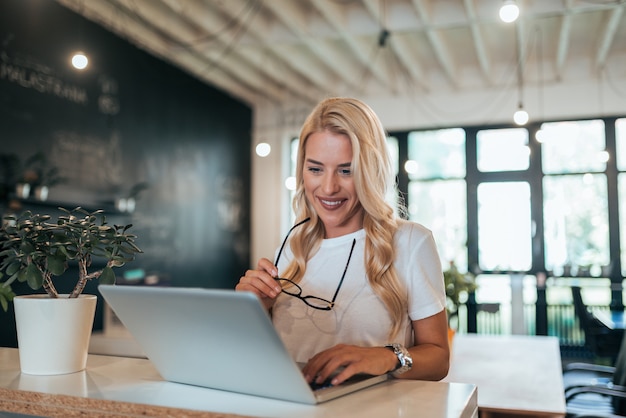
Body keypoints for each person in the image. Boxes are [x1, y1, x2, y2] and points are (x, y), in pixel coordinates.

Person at [236, 97, 449, 387]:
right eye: (315, 169)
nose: (328, 187)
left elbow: (438, 359)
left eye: (346, 170)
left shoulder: (411, 242)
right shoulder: (290, 248)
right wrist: (253, 309)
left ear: (370, 170)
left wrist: (385, 357)